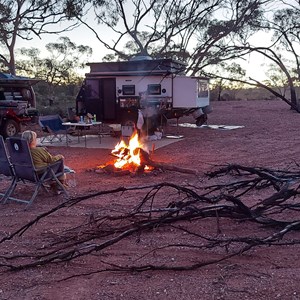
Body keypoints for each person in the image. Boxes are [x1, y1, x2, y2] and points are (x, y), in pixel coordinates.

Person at [21, 130, 67, 194]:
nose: (36, 140)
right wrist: (60, 156)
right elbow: (51, 160)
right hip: (41, 174)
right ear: (32, 140)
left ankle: (54, 185)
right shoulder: (37, 150)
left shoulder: (19, 152)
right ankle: (59, 187)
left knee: (46, 165)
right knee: (60, 164)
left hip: (25, 173)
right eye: (35, 138)